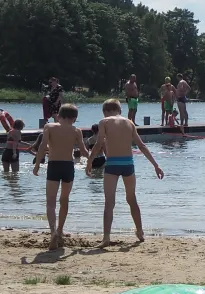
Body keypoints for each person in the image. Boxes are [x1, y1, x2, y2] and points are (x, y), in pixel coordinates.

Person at [86, 99, 164, 246]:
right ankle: (140, 232)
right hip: (128, 164)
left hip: (112, 164)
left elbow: (98, 143)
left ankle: (106, 237)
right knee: (131, 199)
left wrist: (89, 161)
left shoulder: (104, 121)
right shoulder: (129, 122)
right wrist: (156, 165)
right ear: (119, 110)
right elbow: (141, 145)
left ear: (105, 111)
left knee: (109, 203)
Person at [31, 103, 86, 250]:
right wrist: (90, 162)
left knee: (50, 202)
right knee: (64, 199)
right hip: (68, 166)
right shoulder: (76, 130)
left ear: (59, 116)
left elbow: (42, 147)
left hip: (54, 165)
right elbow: (83, 150)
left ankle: (53, 231)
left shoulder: (49, 127)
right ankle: (61, 229)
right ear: (75, 118)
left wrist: (37, 165)